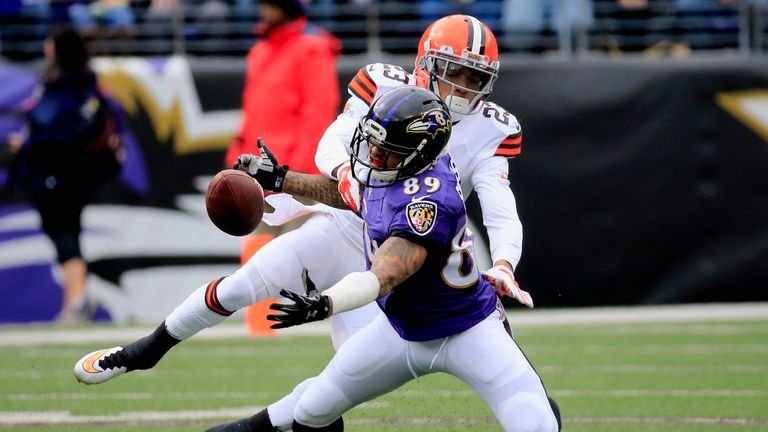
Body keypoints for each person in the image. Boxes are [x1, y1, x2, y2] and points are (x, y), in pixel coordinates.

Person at [74, 13, 557, 431]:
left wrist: (507, 264)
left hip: (409, 250)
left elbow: (498, 202)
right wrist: (315, 178)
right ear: (426, 64)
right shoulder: (384, 87)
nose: (464, 89)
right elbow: (336, 143)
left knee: (336, 385)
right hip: (350, 222)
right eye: (456, 74)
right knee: (248, 284)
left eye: (475, 80)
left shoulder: (479, 141)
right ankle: (147, 349)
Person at [262, 85, 558, 432]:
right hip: (399, 329)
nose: (372, 154)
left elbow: (385, 274)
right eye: (372, 142)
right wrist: (282, 179)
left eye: (385, 149)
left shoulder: (426, 202)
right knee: (310, 412)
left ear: (417, 153)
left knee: (536, 424)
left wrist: (326, 303)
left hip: (466, 328)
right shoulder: (396, 167)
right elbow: (349, 193)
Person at [8, 28, 120, 323]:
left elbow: (59, 133)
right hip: (72, 173)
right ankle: (74, 301)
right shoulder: (78, 81)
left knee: (62, 234)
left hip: (58, 173)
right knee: (68, 233)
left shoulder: (67, 85)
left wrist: (27, 144)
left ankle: (78, 301)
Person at [224, 0, 341, 175]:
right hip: (254, 165)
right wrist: (237, 152)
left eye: (271, 3)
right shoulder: (259, 50)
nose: (263, 9)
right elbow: (251, 110)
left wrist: (300, 168)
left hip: (288, 171)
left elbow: (319, 110)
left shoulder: (312, 48)